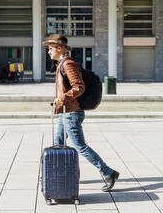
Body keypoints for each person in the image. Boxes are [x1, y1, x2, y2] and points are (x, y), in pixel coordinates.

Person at [43, 34, 119, 192]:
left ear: (59, 48)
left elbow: (79, 87)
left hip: (72, 112)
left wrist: (62, 99)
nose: (48, 52)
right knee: (58, 143)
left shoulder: (68, 64)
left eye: (50, 49)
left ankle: (108, 173)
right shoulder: (62, 63)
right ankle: (58, 174)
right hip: (66, 111)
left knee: (80, 146)